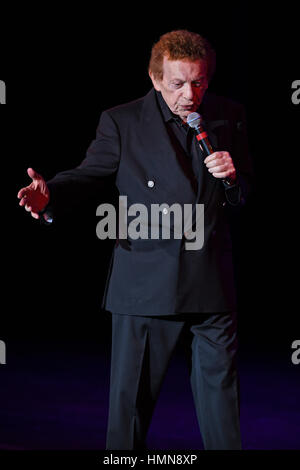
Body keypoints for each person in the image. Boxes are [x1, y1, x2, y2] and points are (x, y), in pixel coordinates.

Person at [17, 30, 253, 450]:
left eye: (198, 82)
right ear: (156, 78)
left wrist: (234, 179)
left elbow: (246, 195)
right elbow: (89, 174)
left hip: (211, 281)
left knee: (223, 409)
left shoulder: (228, 115)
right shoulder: (122, 121)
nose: (189, 94)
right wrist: (49, 192)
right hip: (147, 283)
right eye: (178, 83)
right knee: (130, 413)